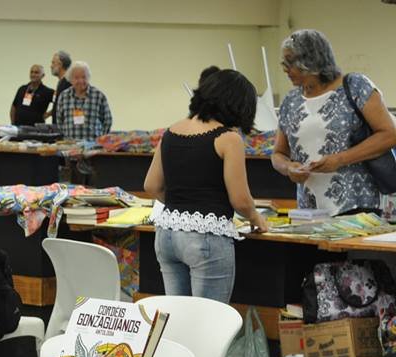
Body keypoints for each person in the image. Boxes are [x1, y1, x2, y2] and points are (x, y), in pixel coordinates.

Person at [143, 67, 271, 303]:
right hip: (206, 238)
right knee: (210, 324)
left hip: (167, 235)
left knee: (178, 318)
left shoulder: (170, 132)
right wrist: (255, 218)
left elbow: (151, 185)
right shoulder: (228, 139)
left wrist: (181, 202)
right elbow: (240, 200)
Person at [271, 29, 396, 214]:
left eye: (291, 62)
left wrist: (340, 159)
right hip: (308, 212)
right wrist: (288, 168)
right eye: (284, 63)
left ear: (311, 60)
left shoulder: (355, 86)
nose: (285, 69)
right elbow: (278, 153)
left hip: (357, 207)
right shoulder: (291, 101)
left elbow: (389, 134)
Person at [54, 61, 113, 141]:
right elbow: (59, 121)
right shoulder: (63, 96)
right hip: (70, 148)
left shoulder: (99, 96)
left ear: (88, 78)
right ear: (70, 79)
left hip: (93, 148)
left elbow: (107, 120)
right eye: (77, 78)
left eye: (84, 77)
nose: (81, 81)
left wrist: (100, 139)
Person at [48, 50, 72, 125]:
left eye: (53, 63)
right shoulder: (61, 82)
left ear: (60, 64)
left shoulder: (68, 82)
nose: (51, 66)